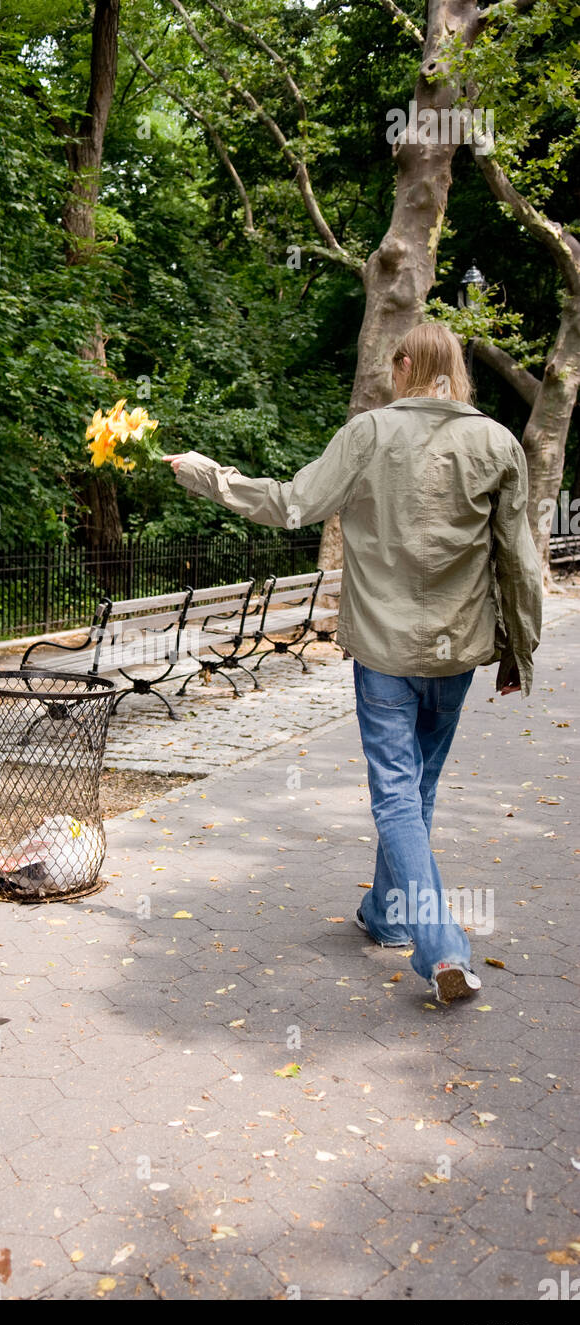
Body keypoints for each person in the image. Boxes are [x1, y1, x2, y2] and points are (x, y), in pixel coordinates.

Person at [165, 323, 542, 1004]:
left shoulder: (369, 435)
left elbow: (290, 504)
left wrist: (203, 473)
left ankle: (442, 947)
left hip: (383, 652)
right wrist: (519, 650)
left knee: (398, 794)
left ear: (403, 365)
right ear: (454, 370)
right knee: (416, 791)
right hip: (455, 652)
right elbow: (519, 561)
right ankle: (385, 917)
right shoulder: (497, 442)